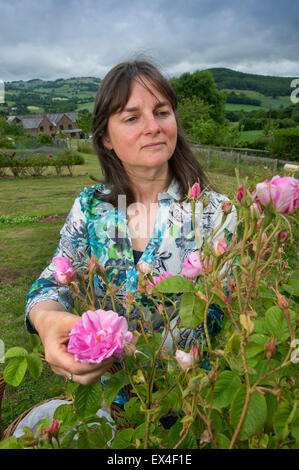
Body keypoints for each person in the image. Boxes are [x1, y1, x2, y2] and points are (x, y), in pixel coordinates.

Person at [25, 60, 237, 399]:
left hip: (192, 407)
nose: (153, 126)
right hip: (111, 402)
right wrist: (48, 321)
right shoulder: (92, 207)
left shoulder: (215, 213)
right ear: (106, 138)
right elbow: (51, 283)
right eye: (132, 117)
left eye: (162, 112)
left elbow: (224, 315)